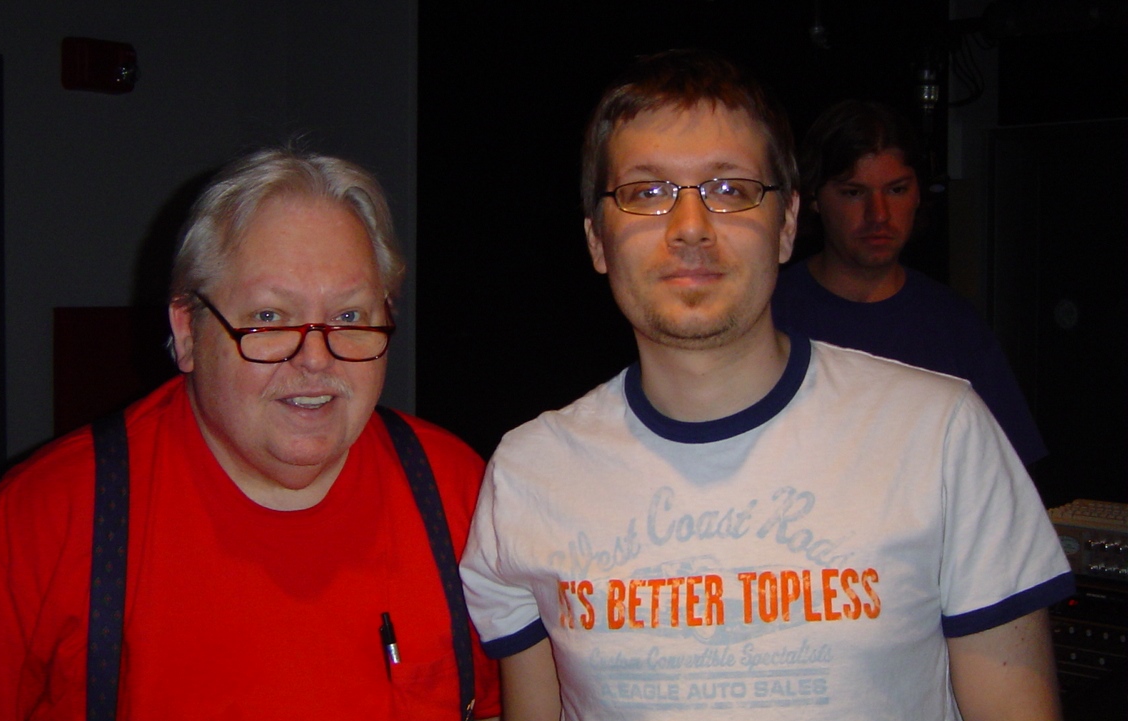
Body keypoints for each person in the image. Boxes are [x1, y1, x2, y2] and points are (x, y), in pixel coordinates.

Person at [459, 50, 1072, 720]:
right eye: (647, 192)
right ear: (597, 241)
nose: (690, 228)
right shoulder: (529, 474)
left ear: (786, 226)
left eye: (729, 189)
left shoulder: (942, 434)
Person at [0, 149, 500, 720]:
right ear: (186, 332)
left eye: (348, 316)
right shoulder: (45, 523)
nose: (315, 358)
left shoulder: (457, 491)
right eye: (268, 318)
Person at [771, 99, 1046, 466]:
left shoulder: (954, 324)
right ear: (814, 199)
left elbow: (1008, 469)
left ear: (918, 194)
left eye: (896, 190)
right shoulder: (769, 314)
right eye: (854, 192)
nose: (879, 215)